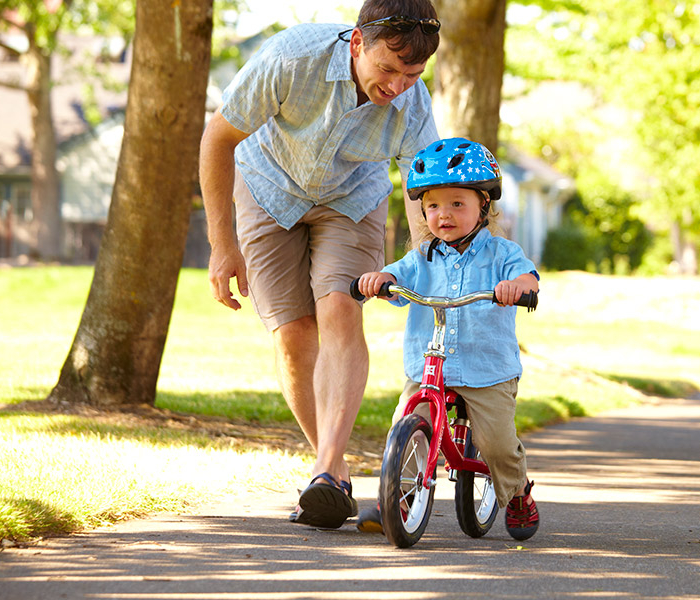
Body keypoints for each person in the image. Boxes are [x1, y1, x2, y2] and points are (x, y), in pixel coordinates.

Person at [198, 0, 442, 529]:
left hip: (352, 198)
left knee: (338, 309)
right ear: (357, 42)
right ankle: (332, 467)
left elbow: (426, 186)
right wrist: (222, 243)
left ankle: (327, 472)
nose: (399, 86)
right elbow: (218, 138)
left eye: (413, 74)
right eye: (388, 69)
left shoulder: (412, 102)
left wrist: (431, 257)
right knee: (293, 334)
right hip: (267, 187)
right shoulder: (292, 57)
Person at [355, 137, 541, 541]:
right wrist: (380, 280)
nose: (445, 214)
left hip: (486, 370)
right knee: (406, 425)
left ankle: (518, 491)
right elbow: (396, 275)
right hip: (428, 368)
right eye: (434, 205)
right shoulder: (420, 256)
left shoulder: (501, 253)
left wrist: (518, 286)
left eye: (458, 203)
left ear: (483, 207)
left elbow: (528, 277)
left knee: (496, 445)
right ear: (423, 210)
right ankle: (399, 499)